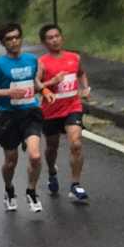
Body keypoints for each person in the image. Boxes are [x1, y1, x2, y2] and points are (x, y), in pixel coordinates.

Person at [0, 22, 44, 213]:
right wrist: (8, 92)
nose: (14, 41)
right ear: (3, 43)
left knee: (35, 155)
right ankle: (9, 190)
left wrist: (45, 90)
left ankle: (31, 191)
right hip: (8, 116)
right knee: (11, 161)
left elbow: (34, 82)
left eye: (17, 37)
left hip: (30, 112)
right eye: (9, 39)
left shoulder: (31, 60)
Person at [37, 23, 91, 203]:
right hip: (51, 112)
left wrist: (85, 88)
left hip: (72, 107)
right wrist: (52, 81)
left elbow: (81, 73)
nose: (54, 40)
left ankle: (75, 185)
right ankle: (52, 171)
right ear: (44, 42)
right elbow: (36, 86)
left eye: (57, 36)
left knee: (76, 143)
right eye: (50, 38)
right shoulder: (41, 63)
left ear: (62, 37)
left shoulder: (74, 58)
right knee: (52, 147)